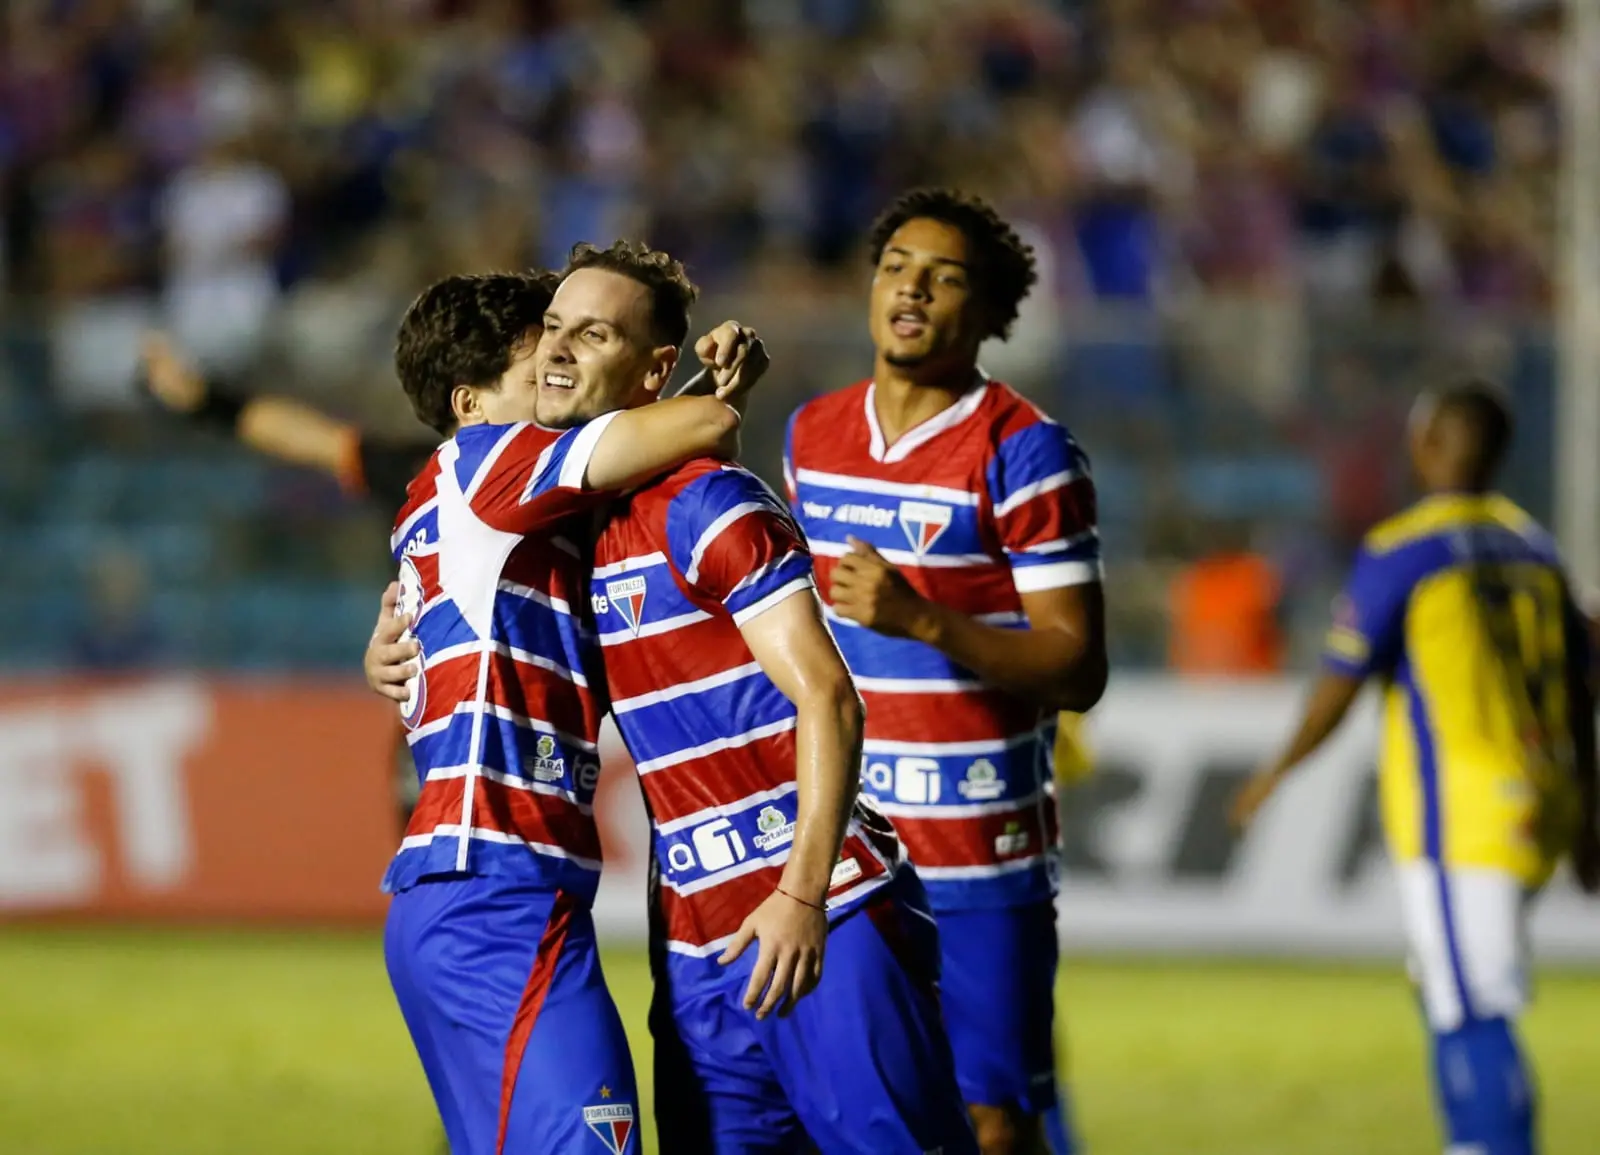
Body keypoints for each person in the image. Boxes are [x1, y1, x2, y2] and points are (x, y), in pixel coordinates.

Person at [540, 239, 977, 1154]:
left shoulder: (711, 504)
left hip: (819, 914)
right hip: (698, 948)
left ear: (655, 367)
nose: (557, 351)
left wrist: (804, 895)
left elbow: (829, 696)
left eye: (591, 333)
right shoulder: (568, 532)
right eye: (550, 329)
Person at [379, 268, 766, 1155]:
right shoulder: (492, 462)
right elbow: (706, 424)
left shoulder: (459, 498)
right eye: (537, 357)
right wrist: (711, 391)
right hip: (495, 888)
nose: (557, 366)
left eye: (570, 343)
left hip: (471, 887)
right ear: (470, 401)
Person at [783, 188, 1107, 1155]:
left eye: (945, 275)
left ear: (988, 311)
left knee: (993, 1120)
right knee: (846, 1108)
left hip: (977, 846)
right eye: (895, 267)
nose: (912, 287)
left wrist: (921, 615)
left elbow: (1076, 665)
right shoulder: (812, 434)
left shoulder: (1027, 451)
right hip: (846, 841)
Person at [1232, 381, 1600, 1155]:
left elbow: (1340, 685)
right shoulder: (1535, 546)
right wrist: (1589, 809)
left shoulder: (1406, 550)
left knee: (1472, 1003)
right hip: (1541, 796)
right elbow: (1580, 683)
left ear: (1430, 445)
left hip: (1461, 811)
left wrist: (1274, 773)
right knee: (1451, 984)